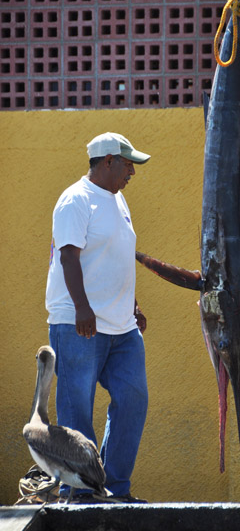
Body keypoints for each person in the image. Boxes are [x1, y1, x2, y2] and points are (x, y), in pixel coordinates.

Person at [46, 132, 151, 504]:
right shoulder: (76, 200)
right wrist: (82, 307)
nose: (132, 173)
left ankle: (113, 488)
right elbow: (69, 257)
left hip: (121, 327)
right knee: (77, 413)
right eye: (128, 165)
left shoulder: (118, 199)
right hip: (80, 324)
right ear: (108, 161)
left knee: (133, 401)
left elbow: (115, 256)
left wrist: (132, 304)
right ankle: (79, 493)